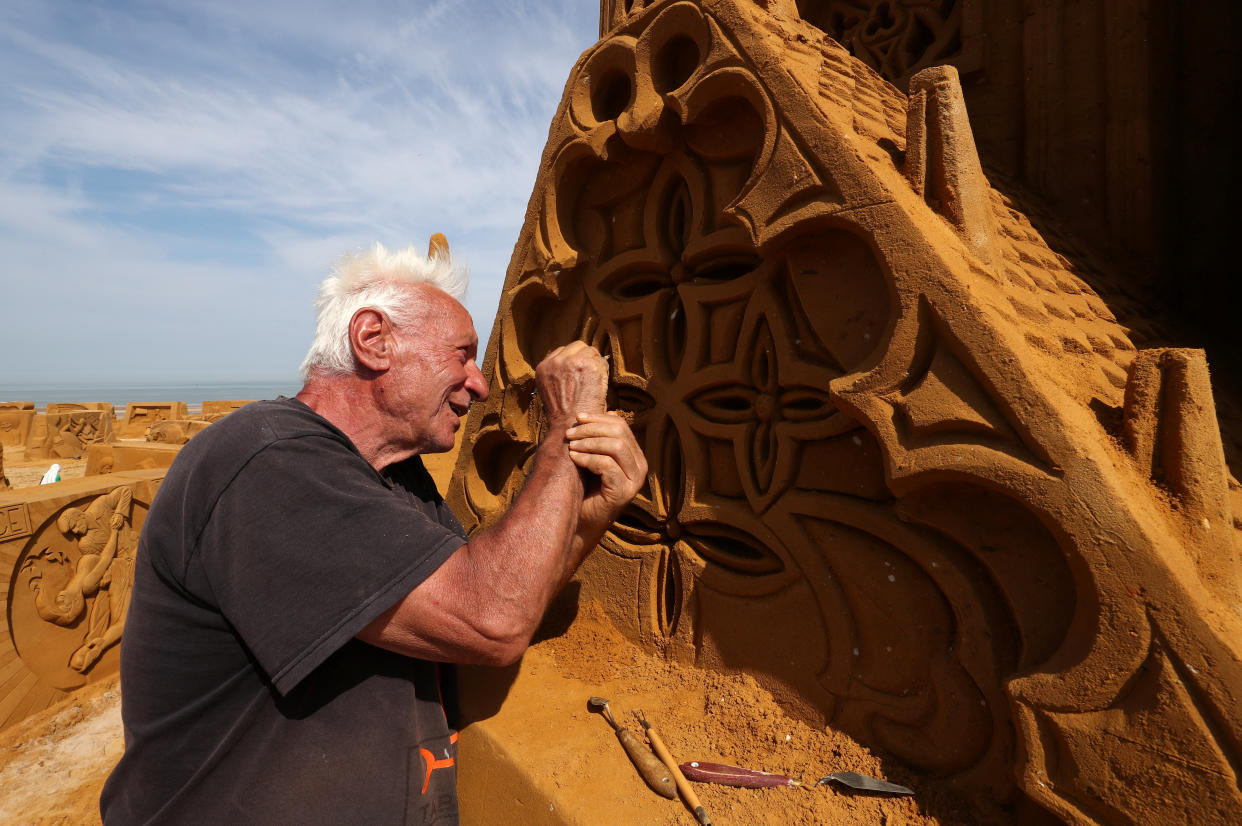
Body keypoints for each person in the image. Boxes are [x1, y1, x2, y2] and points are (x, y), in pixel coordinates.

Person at [100, 242, 646, 825]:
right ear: (373, 340)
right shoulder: (264, 461)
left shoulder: (396, 480)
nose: (479, 384)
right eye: (462, 355)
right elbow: (491, 619)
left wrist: (587, 519)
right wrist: (565, 432)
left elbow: (462, 635)